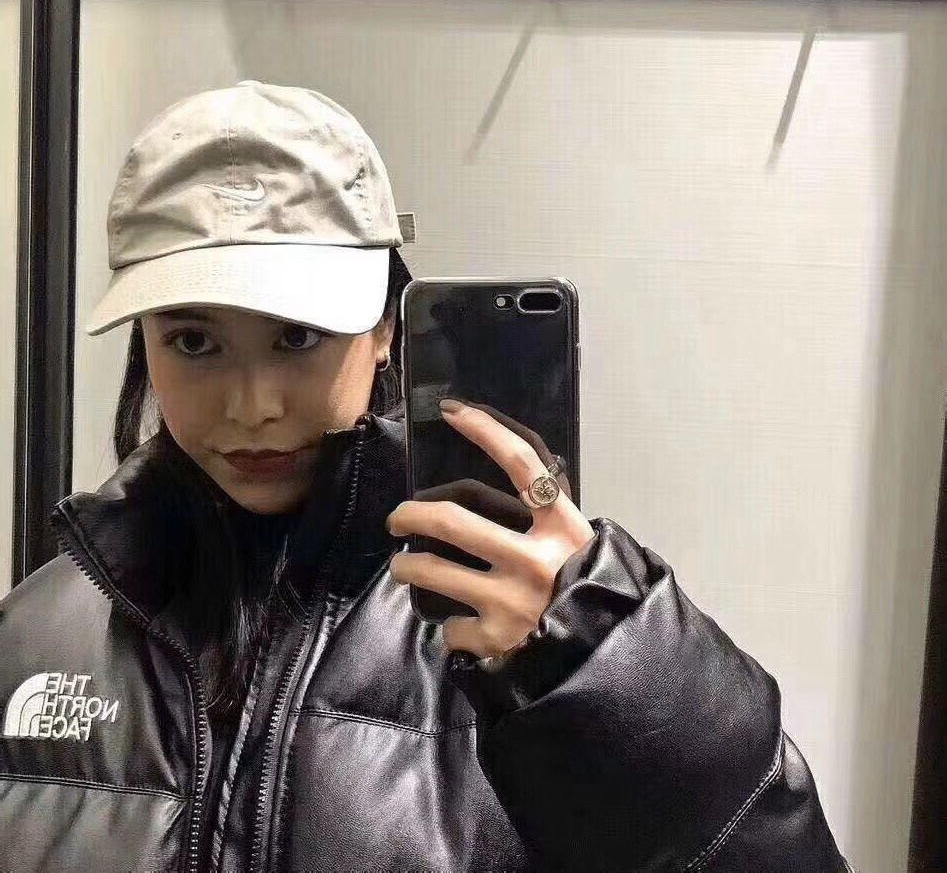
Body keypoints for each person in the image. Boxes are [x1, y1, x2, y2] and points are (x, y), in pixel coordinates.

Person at [0, 81, 852, 872]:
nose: (253, 406)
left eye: (298, 336)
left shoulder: (530, 626)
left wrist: (601, 668)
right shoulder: (36, 632)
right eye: (194, 341)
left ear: (385, 332)